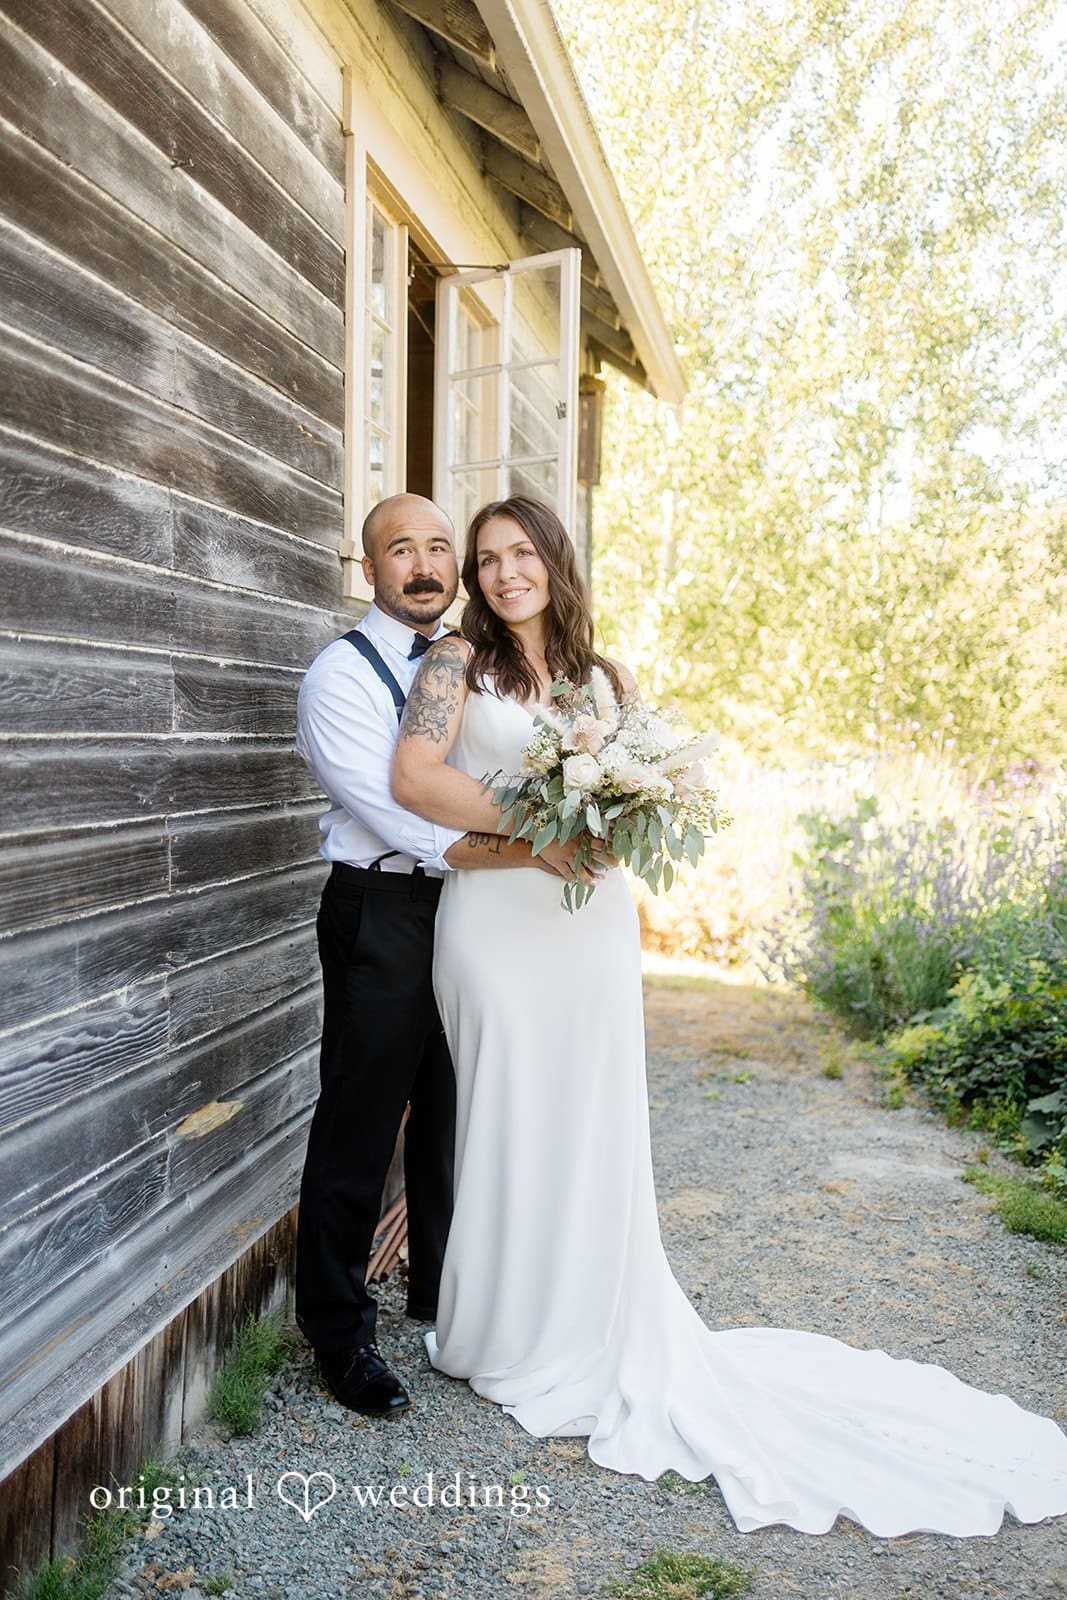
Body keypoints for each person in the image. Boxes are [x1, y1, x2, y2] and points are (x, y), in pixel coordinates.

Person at [390, 493, 1067, 1536]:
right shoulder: (450, 668)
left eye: (520, 552)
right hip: (491, 925)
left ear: (553, 561)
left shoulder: (605, 680)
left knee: (589, 1116)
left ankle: (583, 1318)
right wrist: (540, 825)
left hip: (585, 927)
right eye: (485, 559)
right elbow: (415, 781)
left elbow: (631, 805)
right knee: (499, 1108)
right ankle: (499, 1326)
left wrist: (607, 815)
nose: (501, 573)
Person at [293, 493, 584, 1418]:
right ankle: (339, 1335)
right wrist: (545, 840)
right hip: (383, 907)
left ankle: (442, 1297)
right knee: (361, 1120)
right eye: (397, 551)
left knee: (456, 1111)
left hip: (476, 911)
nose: (422, 566)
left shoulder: (480, 660)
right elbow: (406, 818)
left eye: (435, 547)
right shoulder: (337, 679)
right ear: (367, 567)